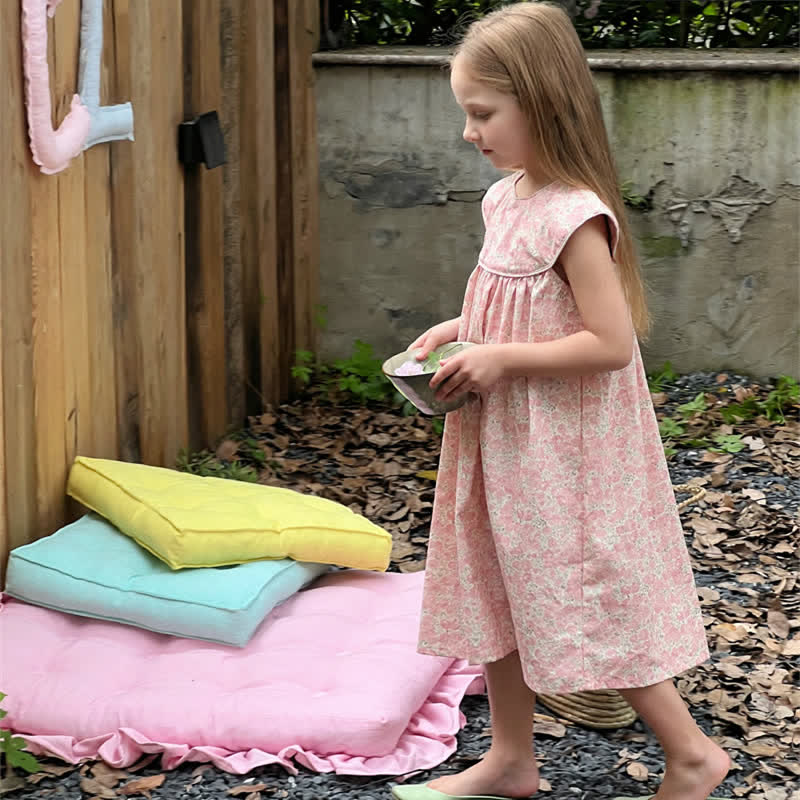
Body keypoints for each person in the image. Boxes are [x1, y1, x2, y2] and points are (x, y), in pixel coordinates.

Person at [391, 4, 732, 800]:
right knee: (497, 582)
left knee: (585, 597)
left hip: (565, 452)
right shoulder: (506, 199)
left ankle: (691, 754)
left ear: (541, 102)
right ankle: (512, 759)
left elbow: (611, 345)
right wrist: (456, 333)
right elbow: (504, 305)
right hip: (503, 437)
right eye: (466, 114)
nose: (469, 133)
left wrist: (502, 357)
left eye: (482, 113)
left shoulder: (576, 216)